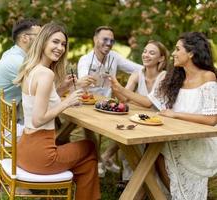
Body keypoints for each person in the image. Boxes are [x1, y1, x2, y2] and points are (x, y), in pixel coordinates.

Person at [109, 32, 217, 200]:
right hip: (177, 136)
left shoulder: (207, 77)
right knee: (152, 150)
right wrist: (120, 89)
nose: (173, 53)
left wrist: (175, 115)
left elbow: (211, 120)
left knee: (154, 151)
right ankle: (163, 195)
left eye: (177, 49)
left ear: (191, 53)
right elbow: (147, 101)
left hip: (200, 142)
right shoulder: (175, 78)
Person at [13, 22, 101, 200]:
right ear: (43, 41)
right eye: (55, 42)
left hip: (23, 150)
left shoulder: (31, 69)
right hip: (41, 156)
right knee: (90, 147)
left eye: (63, 44)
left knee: (84, 162)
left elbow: (40, 100)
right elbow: (39, 119)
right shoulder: (46, 74)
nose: (60, 48)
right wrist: (66, 102)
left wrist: (62, 88)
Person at [77, 25, 143, 177]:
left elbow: (137, 69)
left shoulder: (114, 57)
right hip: (86, 104)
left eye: (111, 41)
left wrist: (125, 89)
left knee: (127, 125)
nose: (108, 43)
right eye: (104, 39)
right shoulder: (85, 60)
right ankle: (98, 161)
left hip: (107, 104)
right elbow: (81, 80)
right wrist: (84, 80)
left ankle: (106, 156)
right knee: (87, 126)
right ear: (95, 39)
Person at [101, 40, 169, 185]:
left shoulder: (163, 76)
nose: (146, 55)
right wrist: (114, 87)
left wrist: (122, 89)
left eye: (152, 53)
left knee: (128, 127)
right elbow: (125, 99)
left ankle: (108, 157)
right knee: (123, 125)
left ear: (161, 58)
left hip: (160, 123)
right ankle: (129, 179)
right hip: (140, 118)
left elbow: (148, 103)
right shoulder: (137, 73)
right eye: (145, 51)